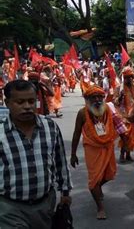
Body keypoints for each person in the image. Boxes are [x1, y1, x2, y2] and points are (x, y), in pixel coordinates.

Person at [0, 80, 72, 228]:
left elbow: (60, 161)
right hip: (9, 207)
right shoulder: (1, 133)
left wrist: (65, 191)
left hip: (45, 205)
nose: (27, 106)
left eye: (31, 101)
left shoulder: (50, 126)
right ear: (7, 103)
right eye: (20, 102)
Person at [70, 85, 128, 219]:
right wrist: (73, 154)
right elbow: (76, 133)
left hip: (108, 146)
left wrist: (125, 141)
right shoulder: (82, 113)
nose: (97, 100)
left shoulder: (108, 109)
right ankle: (100, 207)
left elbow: (119, 124)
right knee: (94, 179)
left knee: (109, 174)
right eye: (93, 97)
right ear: (87, 99)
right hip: (92, 149)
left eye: (99, 97)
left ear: (103, 98)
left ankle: (96, 187)